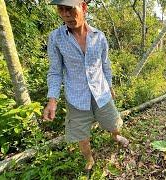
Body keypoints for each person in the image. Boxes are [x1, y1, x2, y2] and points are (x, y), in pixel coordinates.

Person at [42, 0, 129, 171]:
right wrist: (52, 100)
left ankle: (116, 137)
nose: (66, 14)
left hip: (101, 92)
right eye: (61, 9)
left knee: (113, 122)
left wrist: (110, 86)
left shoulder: (99, 36)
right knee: (82, 134)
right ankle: (89, 159)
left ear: (83, 7)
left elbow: (105, 65)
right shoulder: (56, 38)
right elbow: (55, 71)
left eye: (70, 9)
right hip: (76, 96)